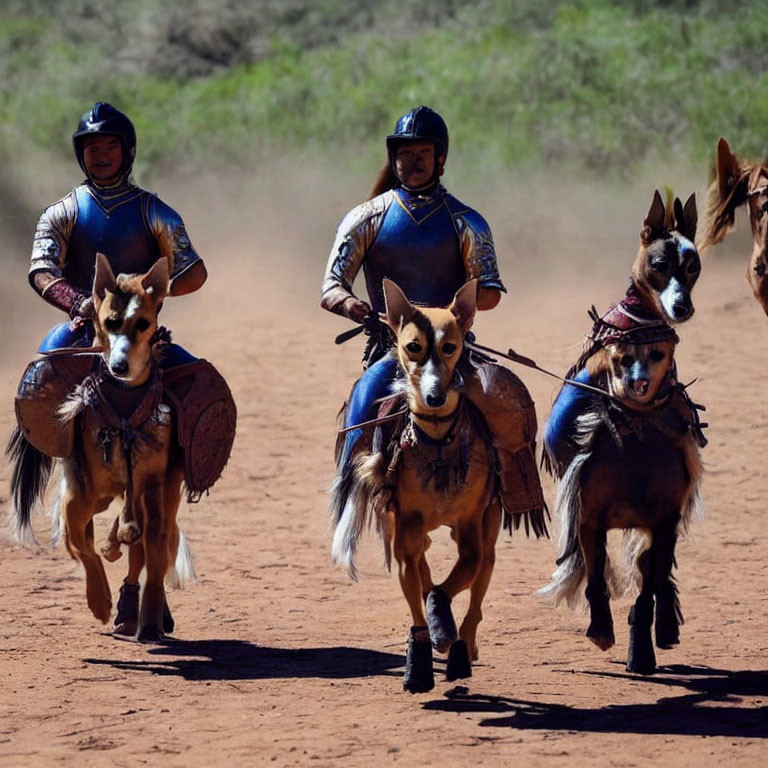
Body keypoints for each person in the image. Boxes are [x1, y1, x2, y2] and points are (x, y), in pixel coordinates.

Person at [322, 106, 544, 519]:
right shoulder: (365, 217)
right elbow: (331, 285)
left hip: (453, 352)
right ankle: (349, 498)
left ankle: (517, 496)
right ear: (394, 158)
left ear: (440, 158)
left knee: (509, 406)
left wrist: (458, 309)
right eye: (405, 153)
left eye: (423, 153)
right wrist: (354, 305)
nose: (413, 161)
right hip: (396, 352)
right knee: (362, 409)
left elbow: (490, 291)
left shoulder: (467, 222)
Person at [29, 101, 207, 364]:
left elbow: (193, 273)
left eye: (111, 147)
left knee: (200, 384)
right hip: (82, 330)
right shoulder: (60, 213)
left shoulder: (157, 213)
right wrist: (82, 303)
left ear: (127, 151)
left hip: (142, 334)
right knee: (38, 377)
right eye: (93, 149)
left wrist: (148, 294)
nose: (102, 156)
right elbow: (41, 271)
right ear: (82, 154)